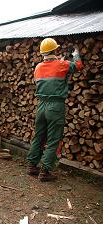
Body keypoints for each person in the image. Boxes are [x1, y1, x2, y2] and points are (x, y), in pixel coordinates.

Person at [26, 38, 83, 181]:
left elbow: (50, 70)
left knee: (39, 136)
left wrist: (59, 61)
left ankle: (32, 165)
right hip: (55, 106)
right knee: (53, 139)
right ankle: (45, 172)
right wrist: (75, 53)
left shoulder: (38, 67)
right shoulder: (62, 64)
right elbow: (78, 65)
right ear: (55, 50)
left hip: (41, 105)